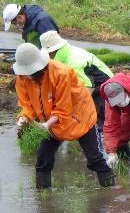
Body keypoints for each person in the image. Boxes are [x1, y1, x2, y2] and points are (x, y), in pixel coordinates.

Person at [13, 43, 115, 188]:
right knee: (43, 158)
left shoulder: (61, 73)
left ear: (40, 66)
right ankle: (43, 197)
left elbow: (63, 108)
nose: (29, 77)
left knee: (95, 159)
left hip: (79, 117)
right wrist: (23, 119)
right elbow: (27, 105)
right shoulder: (22, 78)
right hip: (52, 122)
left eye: (31, 72)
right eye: (26, 73)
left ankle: (110, 191)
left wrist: (46, 125)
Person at [40, 30, 113, 145]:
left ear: (53, 51)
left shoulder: (74, 60)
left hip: (104, 88)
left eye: (49, 54)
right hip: (93, 86)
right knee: (81, 119)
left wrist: (73, 110)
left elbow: (87, 88)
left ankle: (100, 154)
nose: (48, 57)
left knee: (95, 122)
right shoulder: (65, 56)